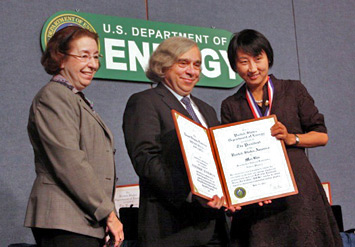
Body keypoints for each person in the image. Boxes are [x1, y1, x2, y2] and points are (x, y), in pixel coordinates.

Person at [221, 29, 342, 247]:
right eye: (244, 62)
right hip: (257, 198)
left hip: (298, 191)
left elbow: (321, 136)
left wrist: (291, 138)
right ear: (235, 66)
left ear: (268, 57)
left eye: (258, 59)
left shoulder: (293, 90)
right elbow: (230, 157)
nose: (252, 68)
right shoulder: (231, 105)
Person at [122, 37, 236, 247]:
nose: (192, 71)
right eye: (183, 63)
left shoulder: (207, 110)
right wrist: (192, 193)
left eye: (197, 64)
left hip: (216, 227)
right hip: (173, 230)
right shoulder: (145, 101)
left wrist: (233, 193)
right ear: (163, 65)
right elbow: (146, 159)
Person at [24, 26, 124, 247]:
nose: (93, 64)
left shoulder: (73, 97)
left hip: (84, 220)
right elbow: (70, 163)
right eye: (84, 56)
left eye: (96, 57)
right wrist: (108, 213)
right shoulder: (54, 96)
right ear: (60, 58)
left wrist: (106, 216)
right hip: (64, 221)